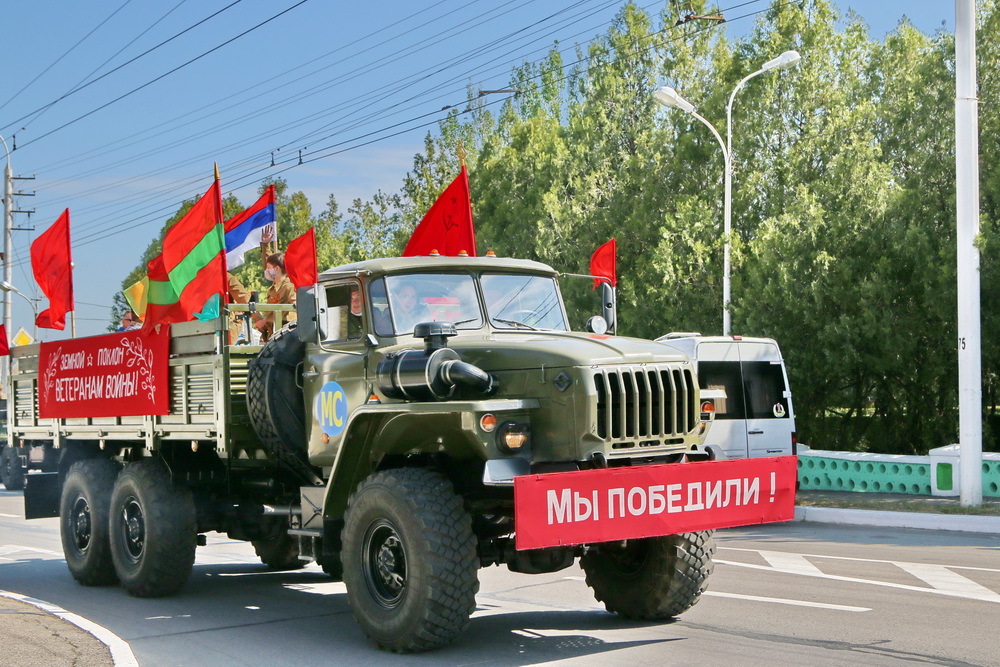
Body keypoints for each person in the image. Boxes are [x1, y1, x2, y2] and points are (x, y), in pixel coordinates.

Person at [254, 251, 297, 341]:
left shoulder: (289, 287)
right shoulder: (272, 289)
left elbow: (295, 303)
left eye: (268, 267)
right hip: (272, 332)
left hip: (285, 333)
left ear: (277, 269)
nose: (266, 271)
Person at [227, 272, 250, 345]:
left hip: (197, 328)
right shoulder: (224, 276)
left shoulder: (195, 274)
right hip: (223, 328)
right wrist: (258, 318)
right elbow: (245, 299)